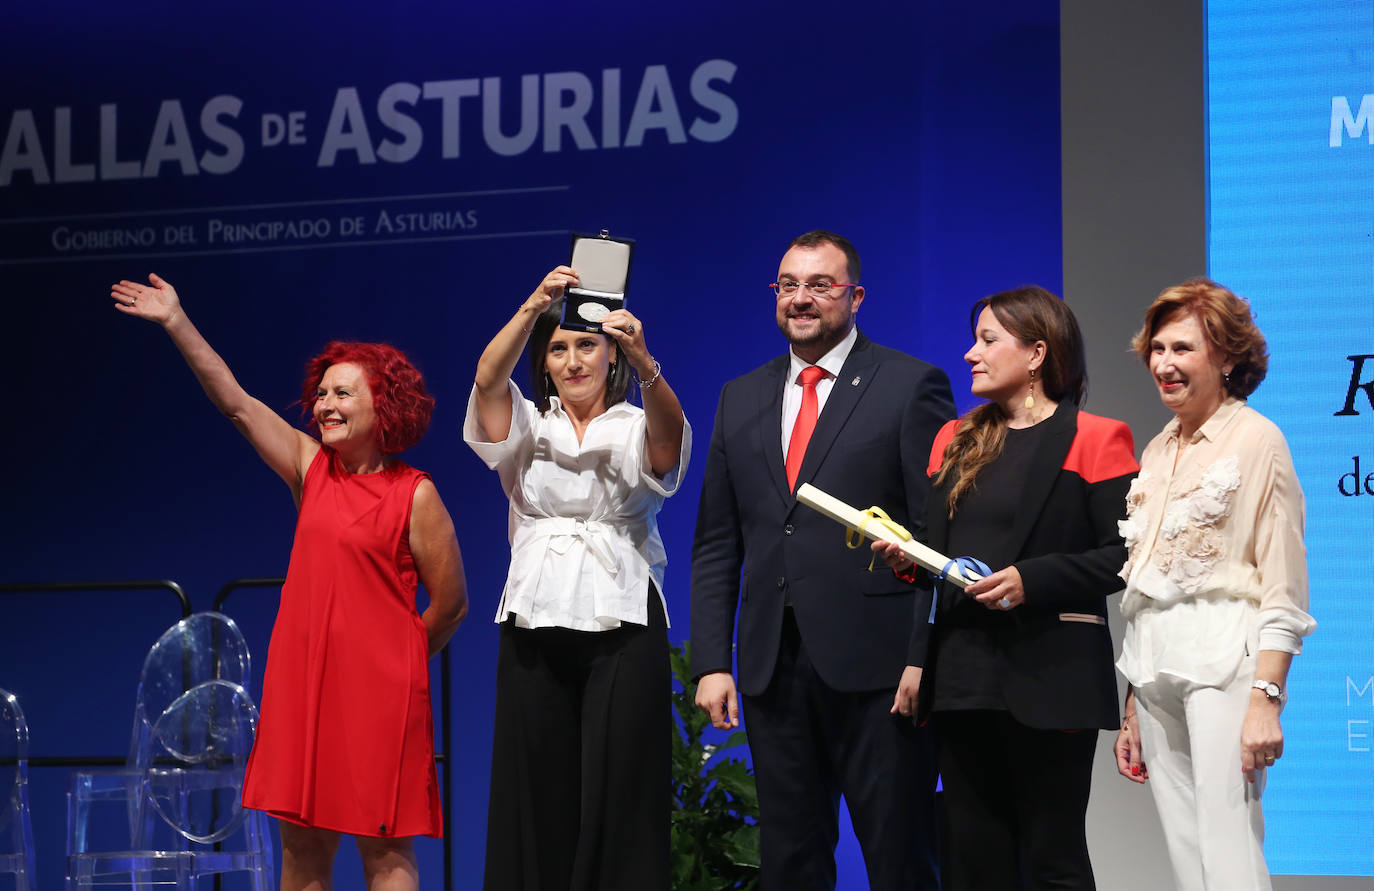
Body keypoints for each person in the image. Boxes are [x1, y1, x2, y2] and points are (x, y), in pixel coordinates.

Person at [108, 274, 469, 891]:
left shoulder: (417, 495)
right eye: (322, 394)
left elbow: (452, 606)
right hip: (302, 689)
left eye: (344, 394)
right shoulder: (311, 469)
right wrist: (176, 322)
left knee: (385, 853)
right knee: (301, 850)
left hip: (379, 698)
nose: (325, 405)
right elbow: (238, 403)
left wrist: (396, 665)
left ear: (384, 404)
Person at [690, 230, 955, 890]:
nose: (800, 299)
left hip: (881, 669)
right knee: (790, 861)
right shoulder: (739, 396)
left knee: (899, 856)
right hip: (772, 666)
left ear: (855, 296)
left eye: (819, 285)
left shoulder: (909, 384)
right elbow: (719, 541)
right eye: (788, 285)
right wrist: (712, 661)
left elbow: (935, 532)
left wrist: (925, 653)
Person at [873, 285, 1138, 890]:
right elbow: (936, 556)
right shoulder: (954, 439)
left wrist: (1032, 580)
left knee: (1052, 861)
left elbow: (1128, 557)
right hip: (963, 676)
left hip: (1052, 673)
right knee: (973, 861)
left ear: (1038, 353)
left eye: (988, 340)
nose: (970, 354)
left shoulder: (1097, 437)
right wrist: (904, 559)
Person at [465, 266, 690, 891]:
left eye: (586, 344)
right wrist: (535, 304)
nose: (571, 360)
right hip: (535, 609)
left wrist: (648, 365)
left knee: (623, 787)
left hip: (622, 612)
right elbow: (487, 378)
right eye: (558, 349)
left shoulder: (633, 422)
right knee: (533, 783)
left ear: (611, 354)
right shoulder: (526, 425)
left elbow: (668, 445)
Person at [1112, 278, 1316, 891]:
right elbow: (1146, 582)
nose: (1164, 365)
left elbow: (1284, 585)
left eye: (1183, 350)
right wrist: (1131, 701)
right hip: (1154, 670)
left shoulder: (1258, 440)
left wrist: (1266, 698)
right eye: (1157, 349)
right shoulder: (1155, 450)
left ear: (1227, 358)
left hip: (1225, 660)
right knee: (1183, 850)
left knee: (1229, 849)